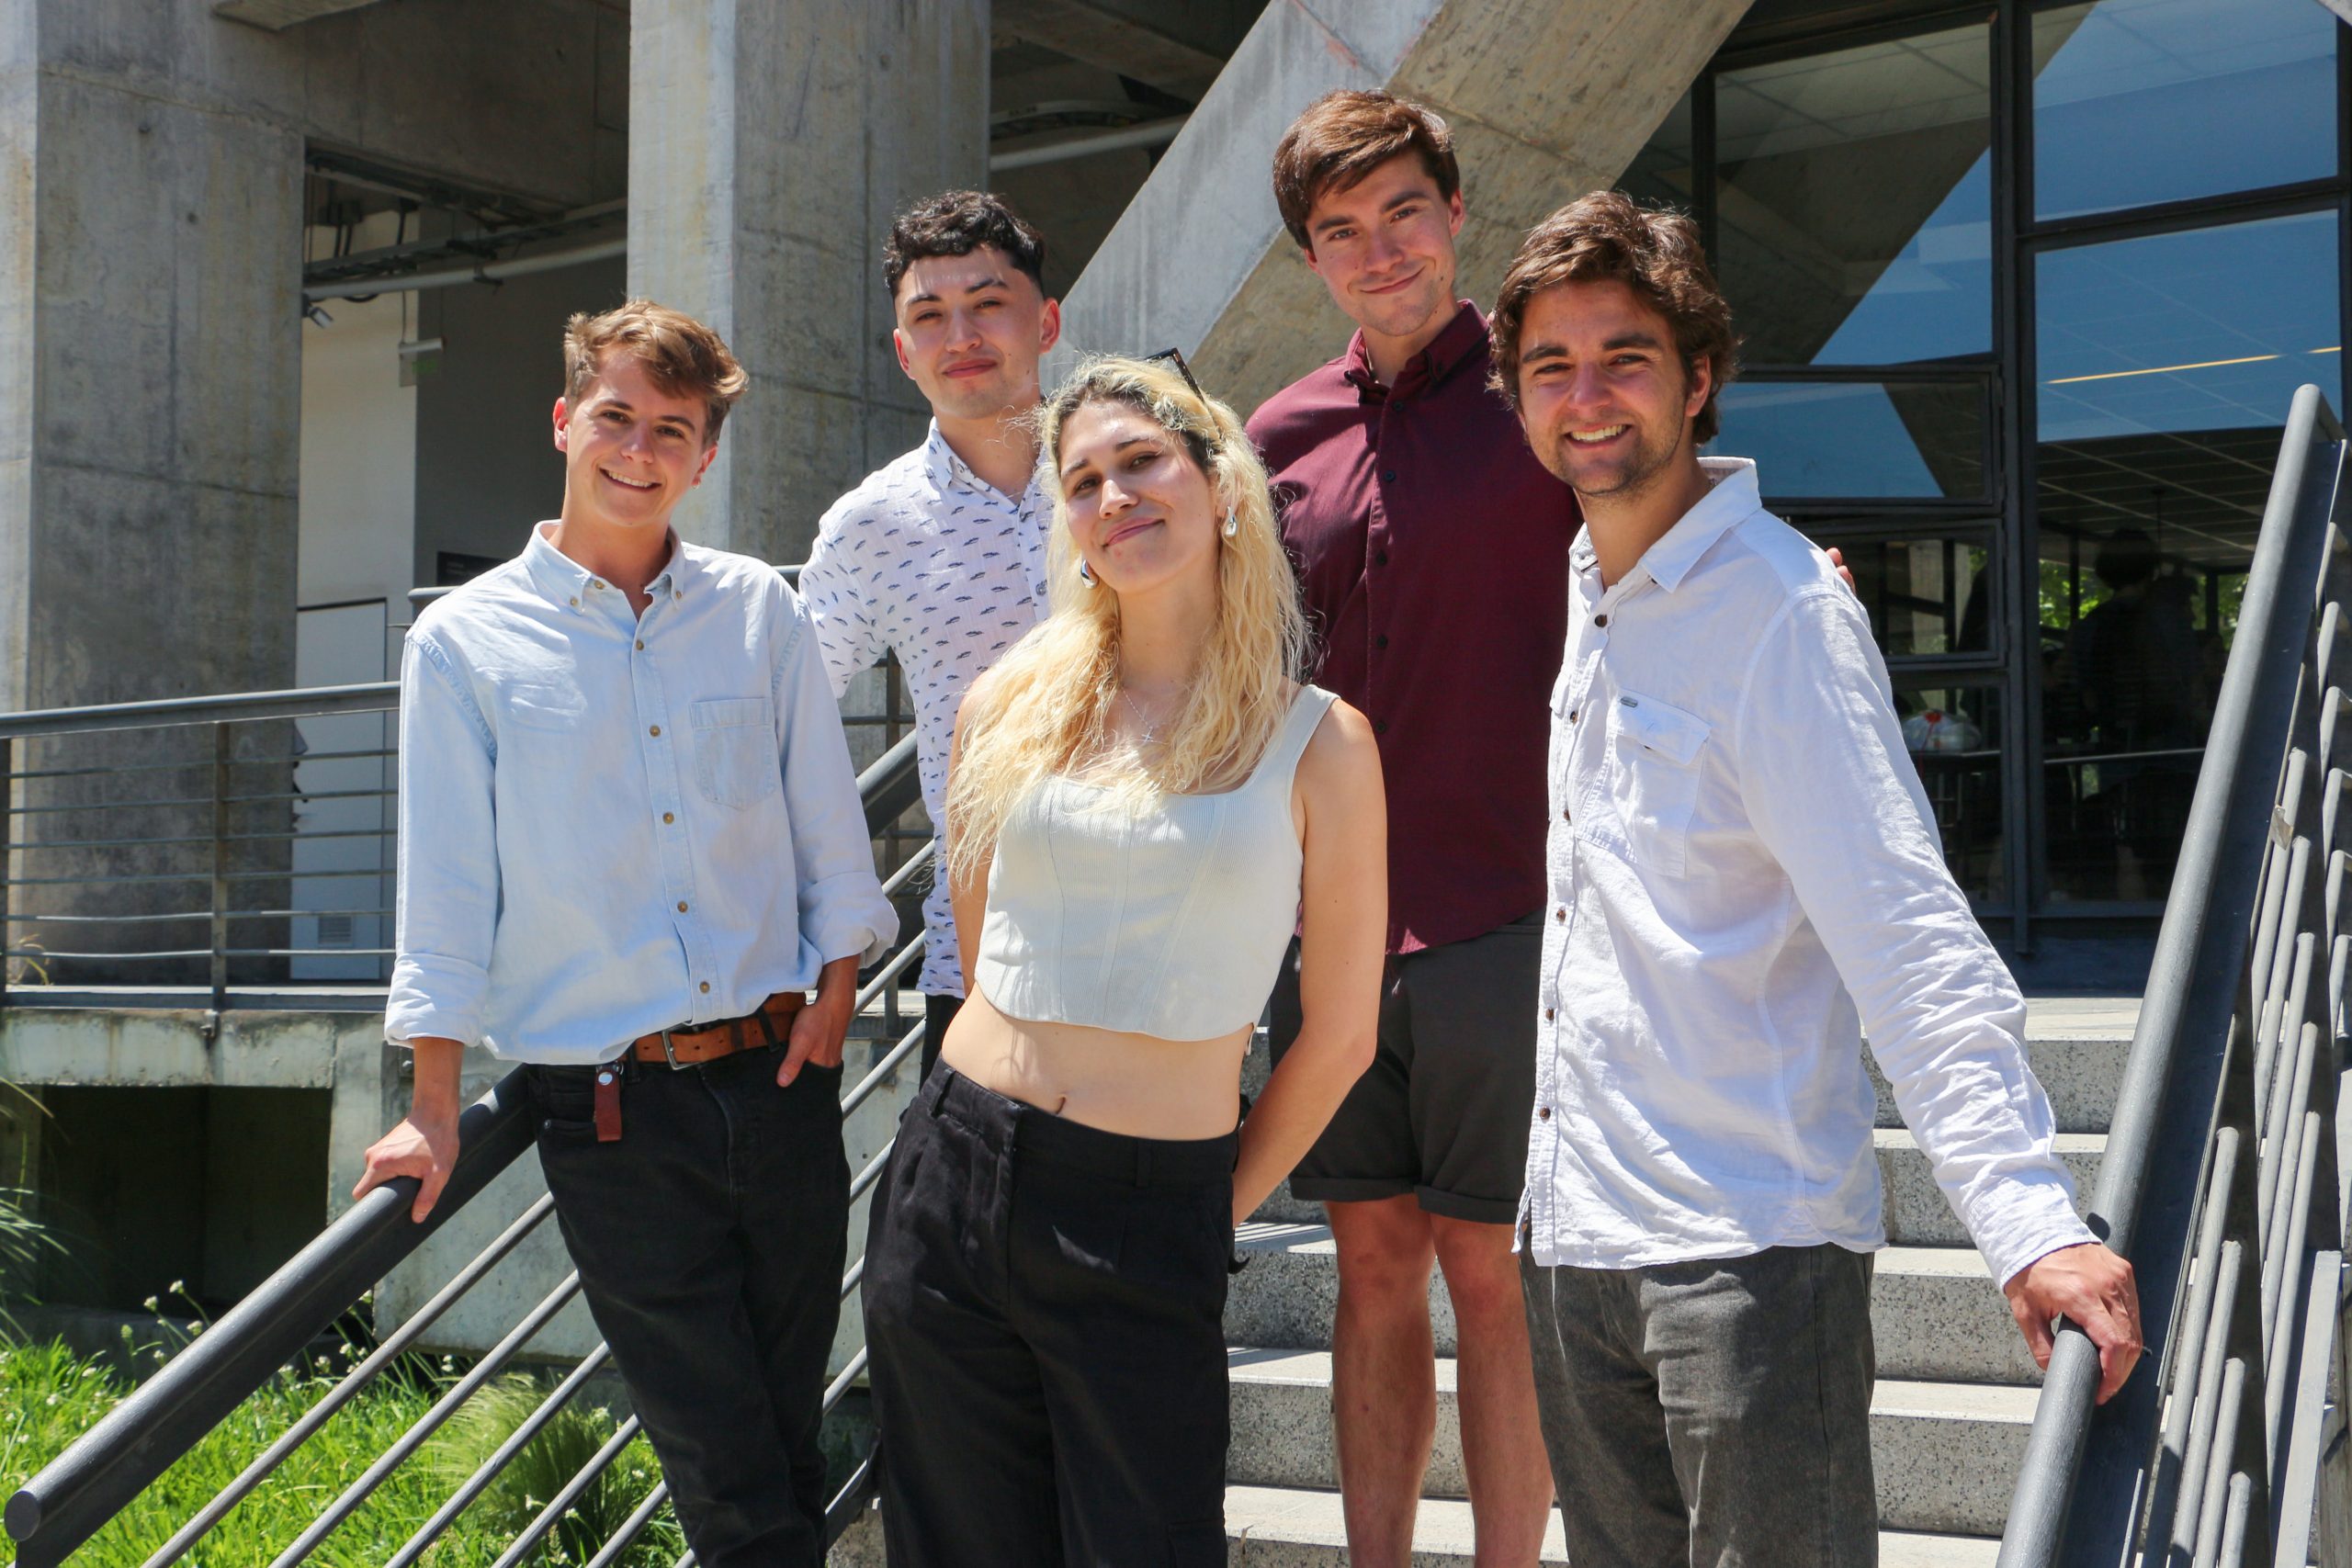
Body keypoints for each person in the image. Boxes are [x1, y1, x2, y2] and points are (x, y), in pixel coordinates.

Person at [1490, 191, 2143, 1566]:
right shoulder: (1590, 587)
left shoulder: (1780, 610)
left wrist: (2029, 1219)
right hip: (1575, 1242)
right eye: (1551, 365)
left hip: (1743, 1253)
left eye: (1623, 358)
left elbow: (1905, 933)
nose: (1585, 396)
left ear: (1699, 378)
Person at [354, 301, 898, 1568]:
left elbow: (827, 822)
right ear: (565, 421)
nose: (639, 450)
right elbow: (446, 885)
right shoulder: (463, 641)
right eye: (617, 417)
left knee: (785, 1439)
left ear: (705, 456)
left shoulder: (759, 610)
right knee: (729, 1472)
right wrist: (432, 1103)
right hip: (610, 1115)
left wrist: (834, 993)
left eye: (673, 430)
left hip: (781, 1083)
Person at [860, 355, 1387, 1566]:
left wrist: (1204, 1211)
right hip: (954, 1171)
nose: (1114, 496)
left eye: (1142, 460)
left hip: (1152, 1200)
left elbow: (1343, 1033)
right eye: (1083, 480)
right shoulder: (1006, 705)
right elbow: (983, 948)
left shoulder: (1322, 743)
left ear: (1223, 486)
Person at [1243, 88, 1566, 1565]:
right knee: (1369, 1261)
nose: (1381, 252)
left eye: (1404, 214)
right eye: (1342, 230)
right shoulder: (1276, 435)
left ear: (1456, 216)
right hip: (1328, 923)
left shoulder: (1544, 403)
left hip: (1508, 906)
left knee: (1491, 1268)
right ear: (1312, 258)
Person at [799, 191, 1060, 1077]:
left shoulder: (1134, 480)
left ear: (1046, 321)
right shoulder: (871, 525)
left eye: (988, 302)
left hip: (1163, 940)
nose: (962, 336)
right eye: (929, 316)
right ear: (903, 351)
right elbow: (782, 721)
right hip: (979, 959)